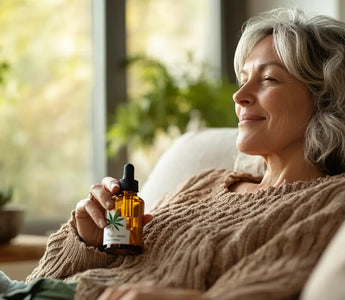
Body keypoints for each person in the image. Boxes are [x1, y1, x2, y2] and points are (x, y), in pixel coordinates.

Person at [2, 7, 345, 300]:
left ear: (326, 97)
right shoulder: (203, 182)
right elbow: (38, 281)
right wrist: (89, 241)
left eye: (268, 78)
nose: (239, 95)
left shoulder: (330, 201)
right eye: (243, 78)